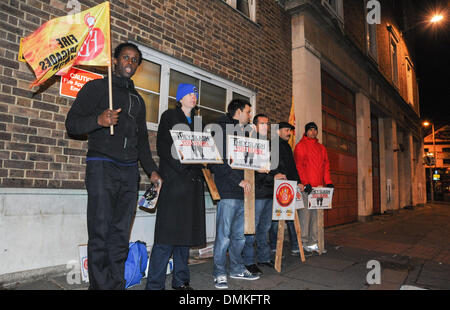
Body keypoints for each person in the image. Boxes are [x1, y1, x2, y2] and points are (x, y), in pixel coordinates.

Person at [65, 42, 162, 289]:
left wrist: (151, 170)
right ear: (115, 60)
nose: (130, 63)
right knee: (100, 232)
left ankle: (116, 285)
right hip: (102, 166)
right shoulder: (96, 88)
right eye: (126, 58)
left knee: (120, 234)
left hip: (129, 172)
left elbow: (142, 142)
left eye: (134, 60)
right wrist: (98, 120)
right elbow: (72, 124)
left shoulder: (138, 100)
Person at [145, 84, 206, 290]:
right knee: (166, 236)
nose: (193, 97)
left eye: (195, 94)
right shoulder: (170, 116)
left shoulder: (198, 122)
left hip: (192, 185)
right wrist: (183, 166)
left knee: (184, 237)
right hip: (175, 182)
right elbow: (163, 146)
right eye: (189, 94)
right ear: (180, 98)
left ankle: (181, 281)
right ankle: (154, 284)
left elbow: (203, 149)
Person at [210, 99, 260, 289]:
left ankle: (237, 268)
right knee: (224, 236)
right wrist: (237, 180)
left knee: (239, 236)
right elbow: (217, 161)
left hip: (242, 191)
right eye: (248, 112)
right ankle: (219, 272)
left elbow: (252, 158)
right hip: (229, 190)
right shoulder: (221, 130)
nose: (250, 115)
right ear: (238, 112)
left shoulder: (243, 132)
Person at [242, 114, 285, 275]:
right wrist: (272, 176)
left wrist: (277, 174)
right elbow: (252, 170)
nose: (266, 127)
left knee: (264, 228)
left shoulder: (268, 145)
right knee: (251, 229)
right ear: (254, 125)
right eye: (262, 124)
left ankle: (264, 258)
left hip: (268, 192)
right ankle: (248, 261)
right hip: (256, 192)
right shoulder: (250, 143)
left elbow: (271, 168)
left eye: (268, 124)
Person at [294, 122, 333, 254]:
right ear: (306, 132)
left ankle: (314, 242)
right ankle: (303, 242)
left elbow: (325, 166)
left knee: (317, 216)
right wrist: (305, 183)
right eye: (310, 130)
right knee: (305, 215)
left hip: (318, 188)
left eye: (315, 130)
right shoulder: (300, 146)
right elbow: (299, 166)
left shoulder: (321, 148)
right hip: (307, 188)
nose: (313, 132)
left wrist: (328, 182)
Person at [268, 122, 303, 256]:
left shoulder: (287, 147)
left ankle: (295, 246)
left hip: (288, 186)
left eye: (290, 130)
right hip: (277, 186)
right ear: (278, 131)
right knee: (276, 219)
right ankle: (274, 247)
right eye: (287, 130)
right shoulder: (273, 144)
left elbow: (292, 167)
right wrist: (276, 175)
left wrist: (298, 182)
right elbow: (271, 164)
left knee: (291, 217)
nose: (289, 133)